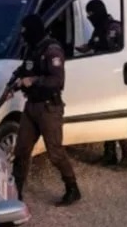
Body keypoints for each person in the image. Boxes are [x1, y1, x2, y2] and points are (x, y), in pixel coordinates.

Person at [12, 14, 81, 206]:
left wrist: (33, 80)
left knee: (55, 152)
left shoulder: (52, 50)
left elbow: (57, 81)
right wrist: (14, 84)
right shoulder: (31, 48)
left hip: (49, 107)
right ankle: (15, 192)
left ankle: (72, 187)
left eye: (25, 31)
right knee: (21, 150)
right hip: (31, 106)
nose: (23, 35)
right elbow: (23, 69)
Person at [75, 0, 127, 170]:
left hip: (116, 81)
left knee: (118, 119)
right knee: (108, 118)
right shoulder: (99, 27)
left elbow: (112, 51)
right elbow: (96, 45)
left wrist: (95, 47)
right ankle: (109, 155)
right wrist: (87, 48)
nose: (89, 18)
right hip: (104, 80)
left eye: (91, 14)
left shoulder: (113, 27)